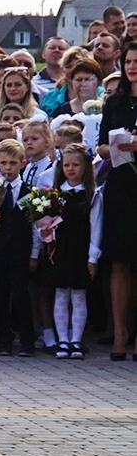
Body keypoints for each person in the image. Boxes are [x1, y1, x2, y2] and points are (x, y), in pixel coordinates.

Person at [40, 144, 101, 360]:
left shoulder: (92, 195)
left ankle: (76, 339)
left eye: (76, 165)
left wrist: (92, 257)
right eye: (66, 165)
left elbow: (96, 227)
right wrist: (45, 233)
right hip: (59, 250)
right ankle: (62, 339)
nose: (71, 169)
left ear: (85, 167)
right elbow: (45, 226)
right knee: (60, 293)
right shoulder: (55, 194)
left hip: (80, 250)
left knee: (78, 294)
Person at [97, 40, 137, 361]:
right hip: (122, 186)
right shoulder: (114, 102)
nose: (133, 67)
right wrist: (120, 147)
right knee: (119, 261)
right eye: (128, 62)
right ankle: (121, 332)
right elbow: (101, 147)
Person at [0, 139, 36, 356]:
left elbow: (36, 226)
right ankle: (4, 338)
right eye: (4, 163)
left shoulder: (29, 191)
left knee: (21, 296)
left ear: (23, 163)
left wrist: (33, 254)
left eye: (13, 163)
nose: (8, 168)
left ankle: (27, 339)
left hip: (20, 253)